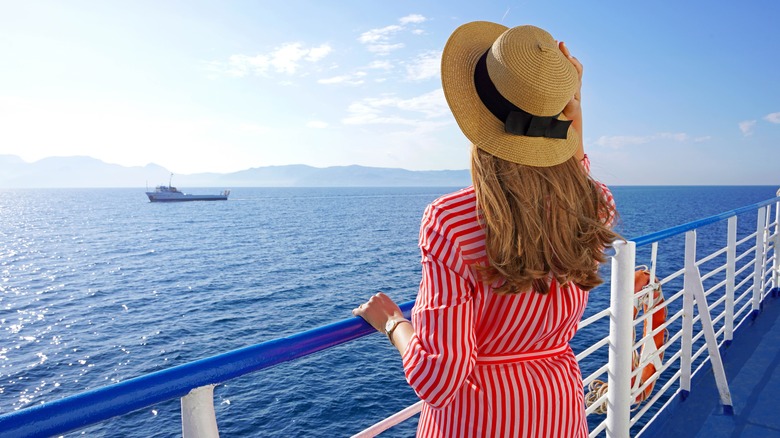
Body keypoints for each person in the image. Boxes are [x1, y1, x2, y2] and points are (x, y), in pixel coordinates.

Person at [353, 21, 618, 438]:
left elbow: (438, 379)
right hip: (558, 414)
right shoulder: (594, 206)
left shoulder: (451, 220)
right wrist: (572, 109)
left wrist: (392, 324)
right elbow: (577, 177)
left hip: (475, 420)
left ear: (473, 114)